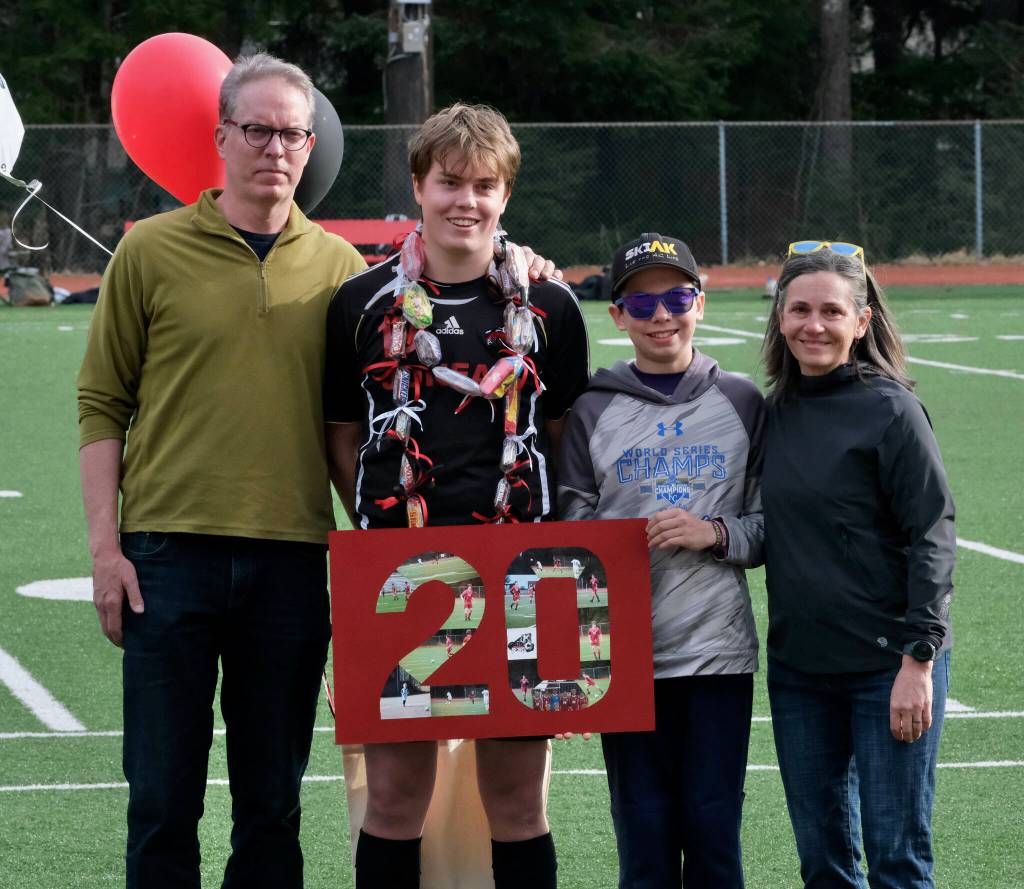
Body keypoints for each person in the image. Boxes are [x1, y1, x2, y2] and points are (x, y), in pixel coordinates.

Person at [77, 53, 366, 889]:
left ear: (310, 147)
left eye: (292, 133)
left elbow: (355, 427)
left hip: (290, 561)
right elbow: (102, 406)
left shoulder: (344, 269)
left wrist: (372, 555)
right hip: (168, 559)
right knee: (162, 801)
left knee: (271, 805)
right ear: (222, 136)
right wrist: (106, 550)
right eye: (258, 129)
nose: (275, 147)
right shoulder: (149, 253)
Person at [323, 102, 589, 889]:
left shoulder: (552, 306)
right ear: (419, 185)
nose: (464, 201)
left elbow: (568, 436)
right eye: (449, 183)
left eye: (483, 185)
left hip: (525, 573)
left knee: (516, 797)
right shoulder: (361, 303)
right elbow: (342, 434)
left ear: (505, 195)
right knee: (396, 796)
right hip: (399, 573)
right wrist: (372, 529)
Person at [558, 232, 765, 888]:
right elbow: (568, 530)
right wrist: (614, 542)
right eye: (641, 305)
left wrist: (715, 533)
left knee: (713, 837)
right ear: (616, 315)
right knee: (643, 842)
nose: (661, 316)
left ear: (699, 303)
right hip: (624, 657)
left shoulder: (740, 400)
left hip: (718, 654)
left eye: (676, 297)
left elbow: (774, 525)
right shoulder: (592, 407)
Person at [760, 240, 955, 888]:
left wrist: (917, 661)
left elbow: (932, 533)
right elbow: (771, 528)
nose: (815, 325)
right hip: (799, 671)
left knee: (897, 860)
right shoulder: (774, 414)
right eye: (801, 310)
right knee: (823, 863)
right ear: (781, 318)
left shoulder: (892, 410)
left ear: (862, 320)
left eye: (832, 312)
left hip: (888, 667)